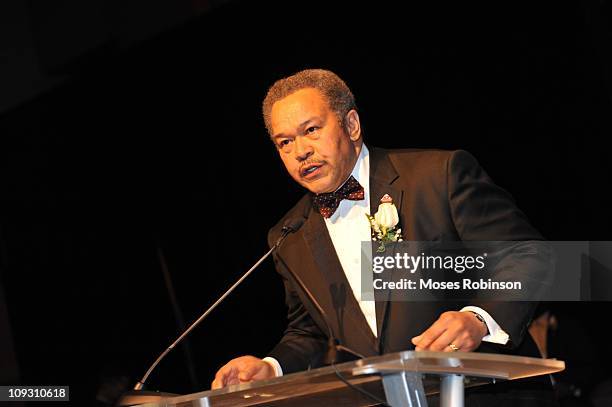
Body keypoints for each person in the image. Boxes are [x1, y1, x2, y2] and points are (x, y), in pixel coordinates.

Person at [211, 69, 556, 405]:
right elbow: (311, 332)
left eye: (311, 130)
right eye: (285, 142)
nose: (300, 151)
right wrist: (271, 367)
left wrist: (479, 318)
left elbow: (528, 255)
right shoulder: (290, 234)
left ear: (351, 125)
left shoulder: (437, 177)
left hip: (485, 393)